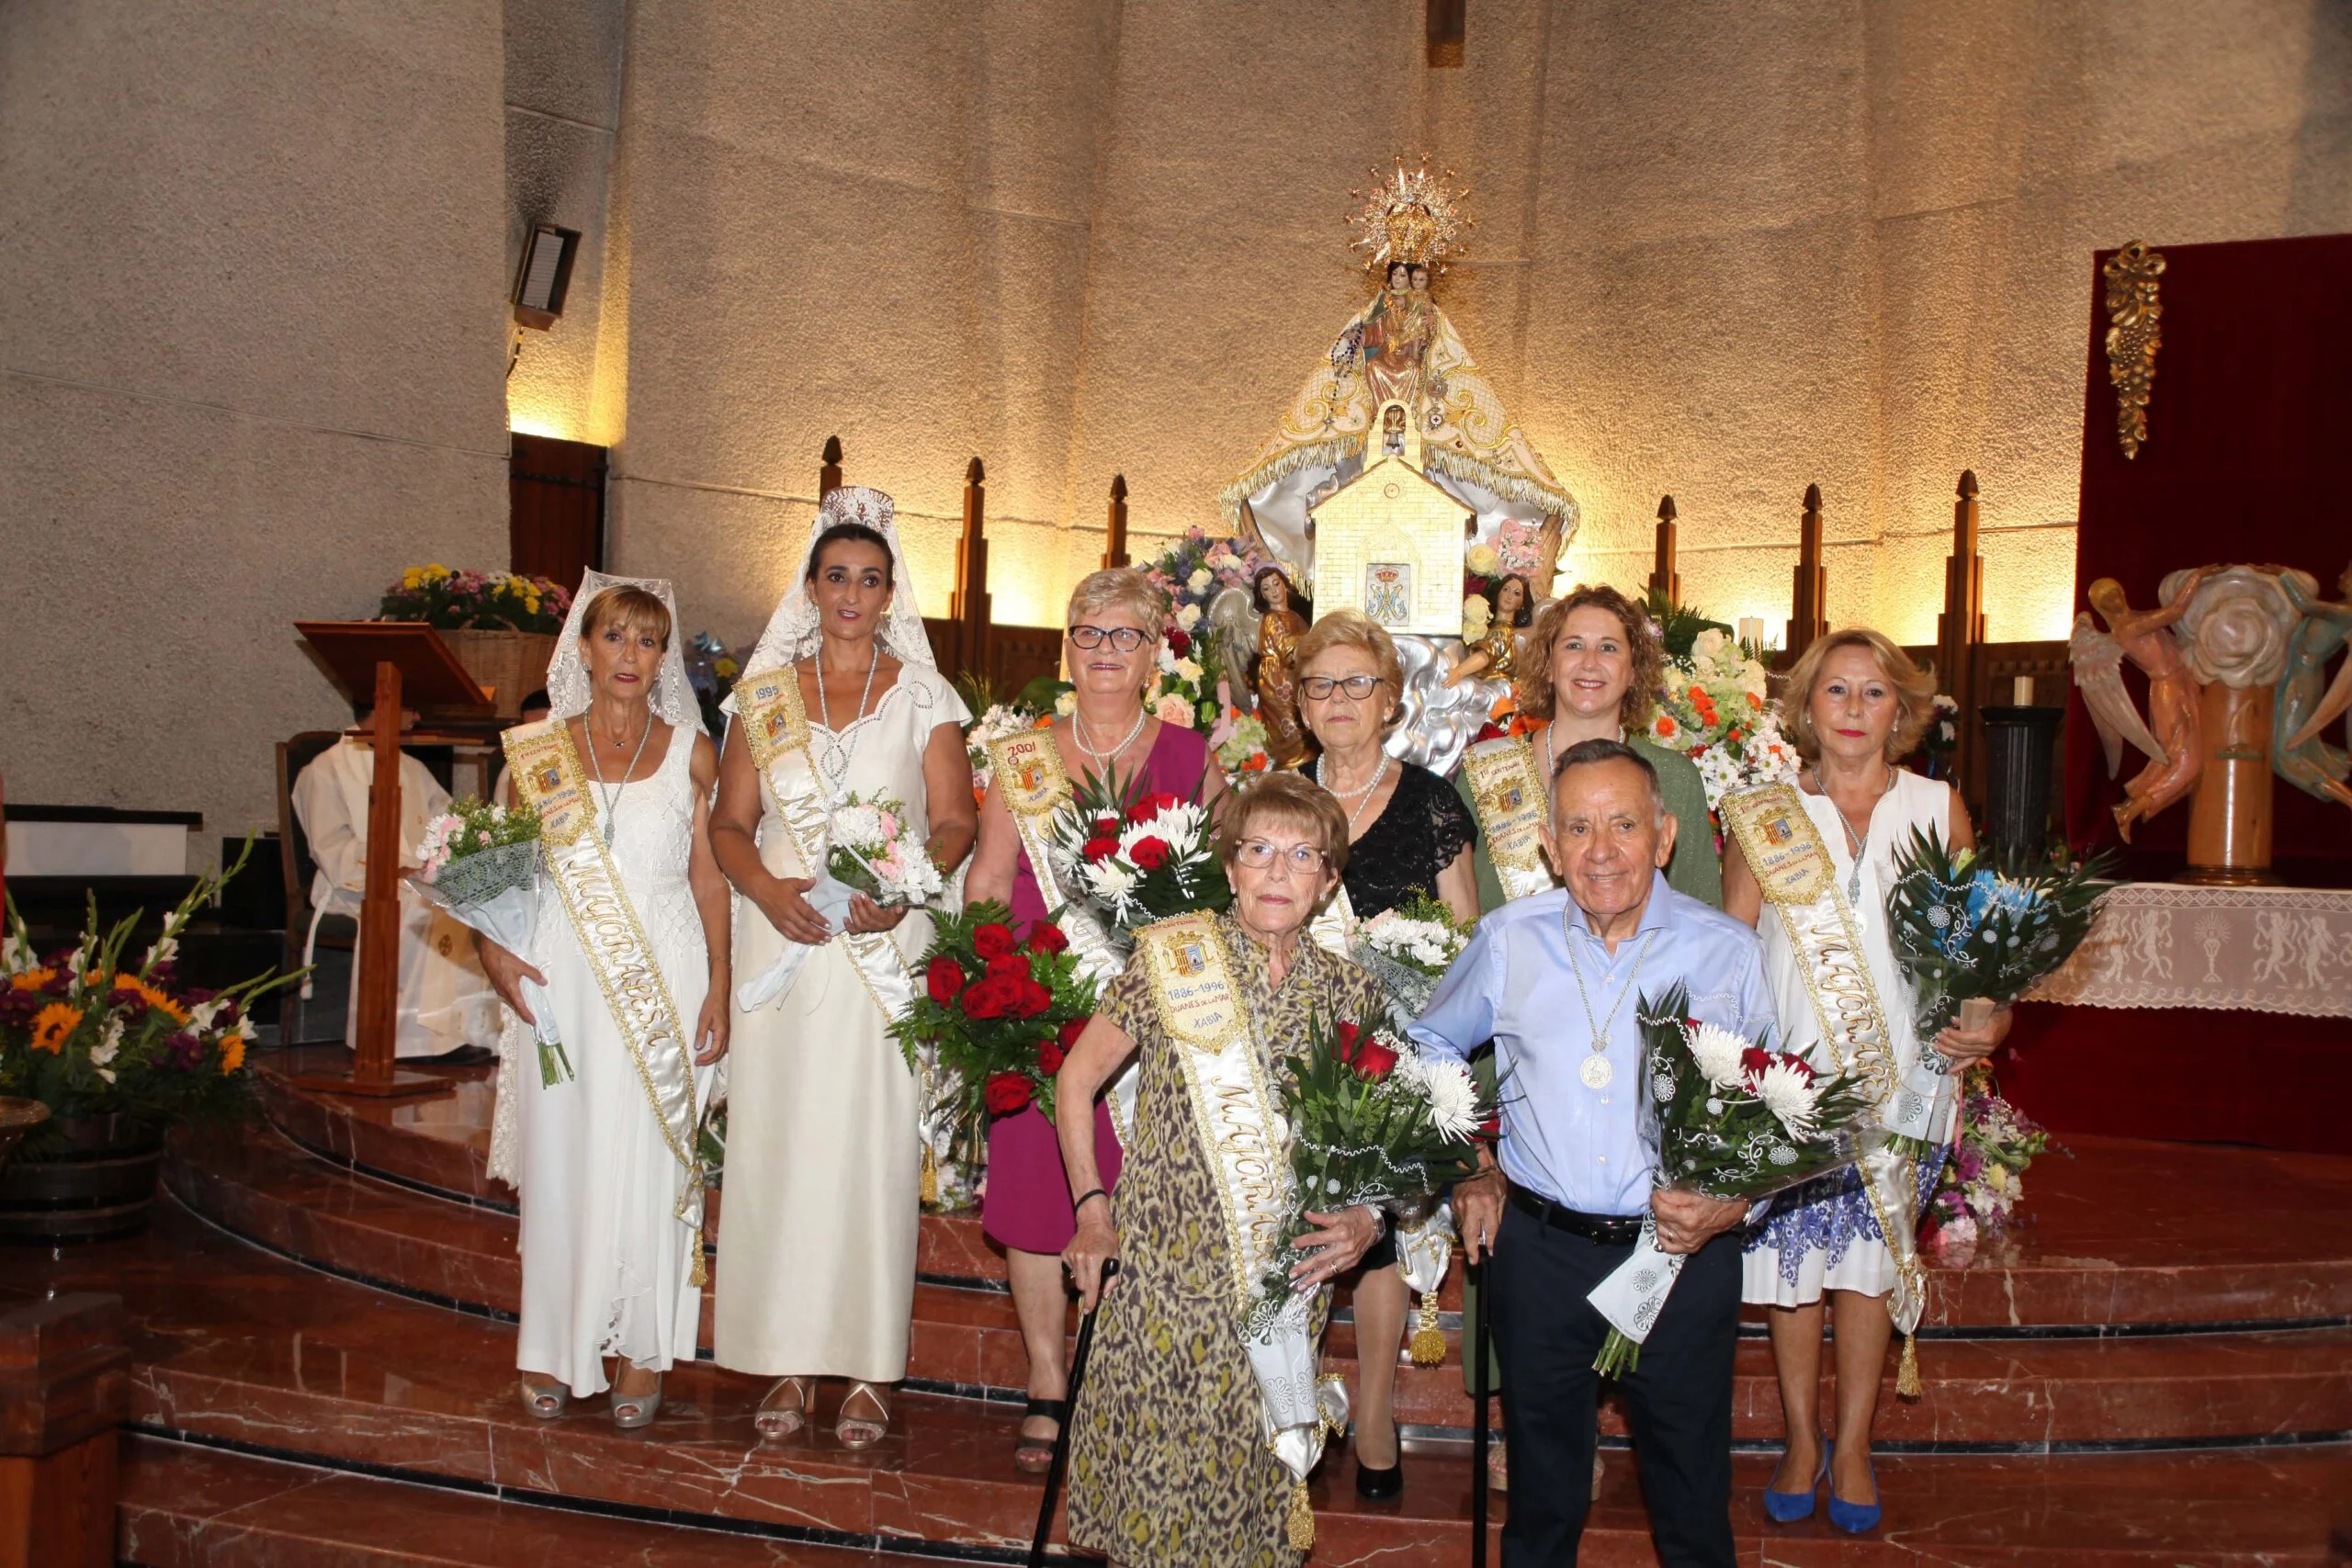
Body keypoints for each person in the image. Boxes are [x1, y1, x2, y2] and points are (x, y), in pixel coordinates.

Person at [1413, 738, 1771, 1567]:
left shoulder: (1729, 951)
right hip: (1541, 1253)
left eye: (1623, 825)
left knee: (1690, 1502)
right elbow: (1430, 1038)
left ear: (1666, 835)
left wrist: (1736, 1201)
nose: (1601, 850)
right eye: (1578, 827)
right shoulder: (1510, 938)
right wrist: (1469, 1160)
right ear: (1548, 841)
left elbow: (1784, 1104)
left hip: (1681, 1256)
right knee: (1540, 1503)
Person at [1057, 773, 1390, 1568]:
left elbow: (1382, 1144)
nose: (1279, 872)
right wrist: (1092, 1211)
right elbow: (1074, 1082)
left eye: (1303, 854)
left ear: (1329, 878)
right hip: (1161, 1283)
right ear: (1230, 866)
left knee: (1250, 1498)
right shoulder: (1174, 956)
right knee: (1159, 1501)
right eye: (1259, 850)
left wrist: (1368, 1219)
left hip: (1277, 1291)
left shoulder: (1352, 991)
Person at [1724, 629, 2011, 1534]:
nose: (1852, 708)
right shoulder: (1762, 810)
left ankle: (1853, 1444)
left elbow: (1974, 946)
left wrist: (1988, 1012)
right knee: (1794, 1268)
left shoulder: (1937, 805)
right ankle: (1802, 1440)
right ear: (1805, 706)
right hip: (1792, 1076)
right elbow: (1730, 954)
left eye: (1873, 693)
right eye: (1835, 691)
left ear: (1904, 710)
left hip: (1903, 1072)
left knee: (1867, 1264)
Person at [709, 487, 978, 1448]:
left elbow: (954, 823)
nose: (852, 595)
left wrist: (910, 888)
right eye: (836, 578)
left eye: (870, 580)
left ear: (889, 591)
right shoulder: (765, 699)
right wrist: (769, 892)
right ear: (811, 589)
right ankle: (780, 1358)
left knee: (869, 1155)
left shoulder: (924, 696)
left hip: (880, 948)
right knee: (779, 1152)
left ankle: (867, 1366)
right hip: (784, 942)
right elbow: (729, 827)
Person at [964, 567, 1227, 1471]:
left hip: (1147, 1025)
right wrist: (990, 986)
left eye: (1124, 635)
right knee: (1040, 1203)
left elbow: (1217, 897)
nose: (1105, 649)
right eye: (1088, 632)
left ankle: (1113, 1381)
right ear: (1065, 647)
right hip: (1039, 1006)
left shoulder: (1193, 759)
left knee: (1142, 1205)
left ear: (1155, 653)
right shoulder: (1023, 758)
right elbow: (989, 884)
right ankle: (1046, 1380)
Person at [473, 577, 730, 1428]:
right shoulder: (535, 752)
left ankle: (643, 1350)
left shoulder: (695, 752)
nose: (629, 654)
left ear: (664, 657)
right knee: (563, 1162)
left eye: (647, 640)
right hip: (560, 979)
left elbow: (710, 880)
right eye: (614, 636)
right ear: (582, 649)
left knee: (654, 1164)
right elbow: (499, 879)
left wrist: (722, 986)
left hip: (668, 971)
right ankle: (551, 1344)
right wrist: (493, 951)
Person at [1292, 608, 1477, 1499]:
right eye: (1319, 683)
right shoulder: (1279, 799)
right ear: (1299, 703)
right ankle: (1287, 1405)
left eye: (1356, 683)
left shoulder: (1432, 801)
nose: (1338, 700)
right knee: (1290, 1234)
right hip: (1292, 1052)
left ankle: (1371, 1411)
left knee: (1372, 1238)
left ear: (1392, 701)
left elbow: (1467, 942)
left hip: (1393, 1059)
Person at [1465, 584, 1722, 911]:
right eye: (1574, 645)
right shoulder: (1485, 772)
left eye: (1609, 648)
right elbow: (1460, 917)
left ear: (1633, 671)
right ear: (1548, 665)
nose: (1590, 663)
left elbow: (1701, 915)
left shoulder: (1674, 777)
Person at [290, 705, 502, 1060]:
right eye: (412, 709)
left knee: (472, 894)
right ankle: (414, 1039)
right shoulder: (325, 769)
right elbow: (330, 847)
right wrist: (400, 869)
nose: (417, 718)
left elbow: (447, 825)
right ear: (383, 705)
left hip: (416, 877)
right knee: (416, 902)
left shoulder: (413, 768)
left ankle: (466, 1029)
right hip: (351, 886)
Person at [1251, 566, 1312, 768]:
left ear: (1285, 584)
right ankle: (1293, 765)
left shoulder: (1296, 616)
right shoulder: (1271, 619)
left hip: (1297, 674)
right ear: (1262, 595)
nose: (1274, 591)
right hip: (1277, 679)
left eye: (1276, 583)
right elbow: (1288, 650)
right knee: (1291, 728)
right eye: (1266, 588)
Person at [1443, 573, 1533, 686]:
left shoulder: (1503, 630)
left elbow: (1485, 655)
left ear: (1521, 604)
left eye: (1516, 593)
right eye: (1506, 590)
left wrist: (1459, 672)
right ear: (1498, 594)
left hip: (1492, 686)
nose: (1509, 596)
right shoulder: (1492, 627)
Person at [492, 688, 553, 807]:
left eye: (543, 729)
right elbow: (502, 811)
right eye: (530, 729)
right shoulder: (513, 767)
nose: (537, 737)